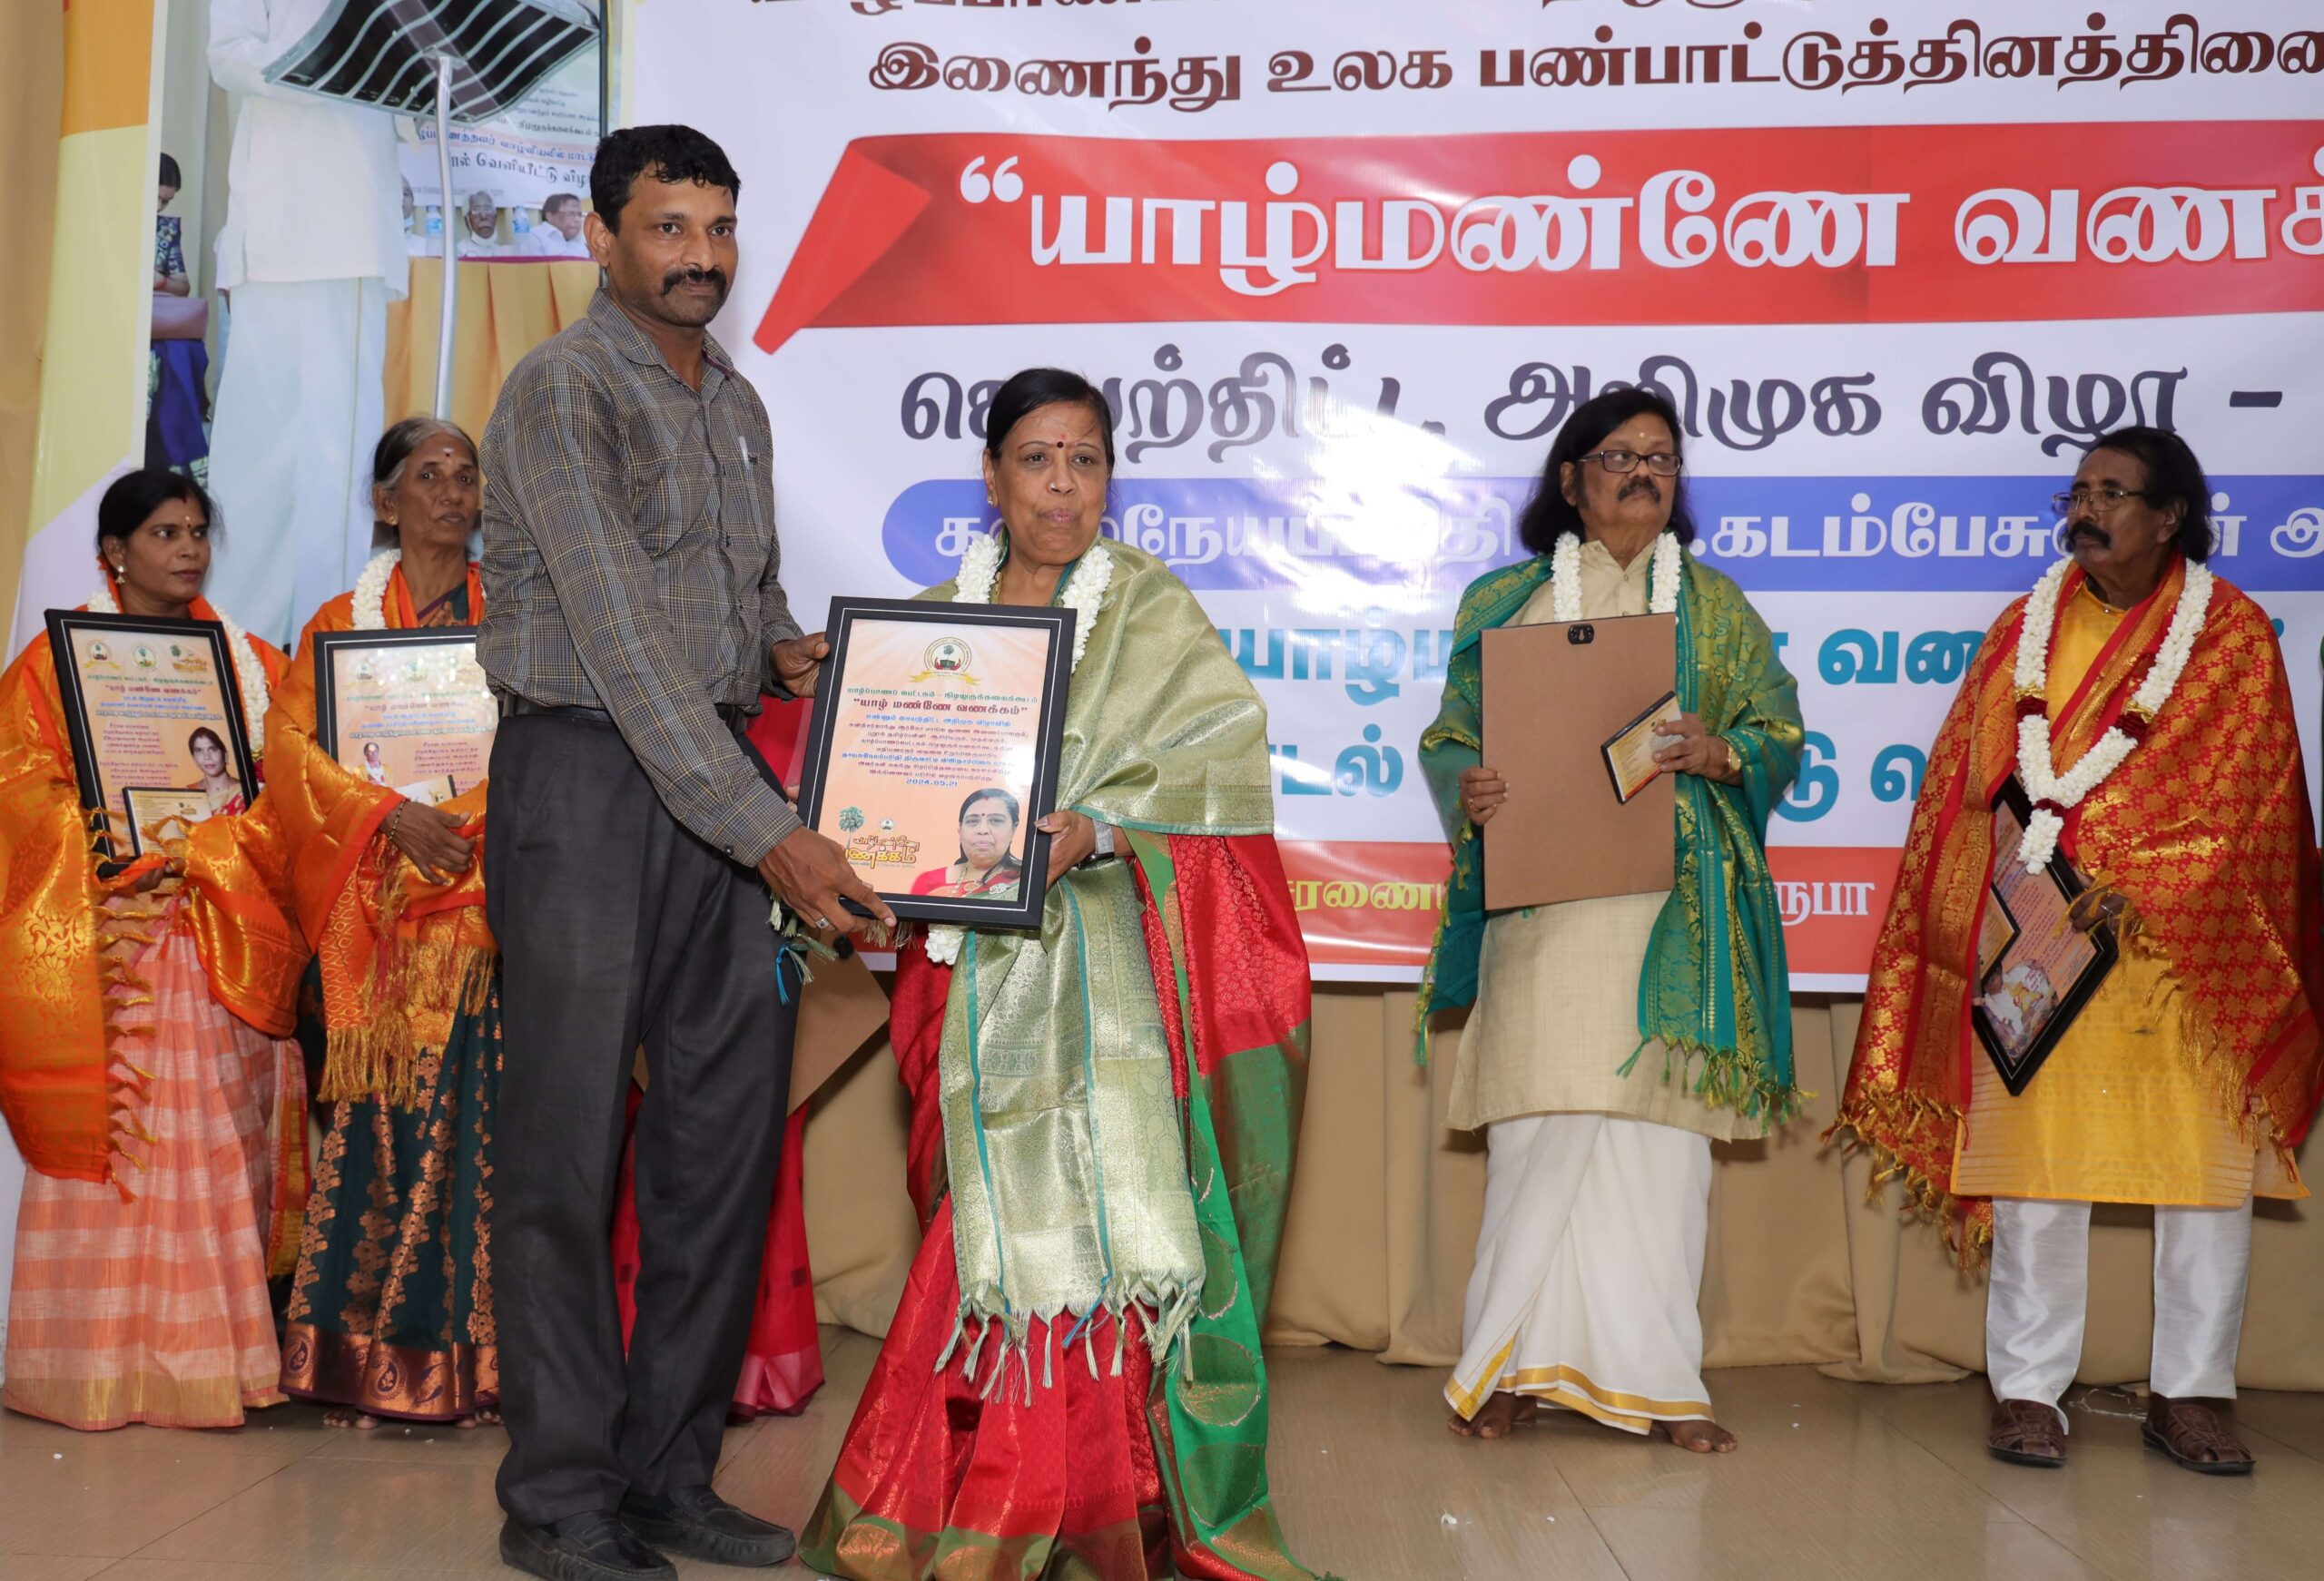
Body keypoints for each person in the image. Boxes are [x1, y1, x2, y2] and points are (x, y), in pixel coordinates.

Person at [801, 368, 1325, 1581]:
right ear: (990, 477)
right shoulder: (928, 626)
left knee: (1088, 1232)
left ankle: (1092, 1496)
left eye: (1085, 460)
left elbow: (1221, 783)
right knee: (973, 1224)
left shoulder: (1150, 612)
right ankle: (948, 1490)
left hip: (1106, 992)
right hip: (959, 978)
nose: (1060, 485)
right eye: (1036, 459)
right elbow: (878, 795)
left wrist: (1100, 828)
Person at [478, 123, 886, 1581]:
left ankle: (665, 1473)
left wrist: (801, 656)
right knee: (566, 1150)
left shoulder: (740, 402)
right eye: (668, 227)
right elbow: (623, 644)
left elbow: (737, 603)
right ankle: (558, 1499)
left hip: (712, 775)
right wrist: (777, 838)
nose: (700, 255)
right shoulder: (562, 389)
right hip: (586, 775)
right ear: (602, 236)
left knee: (721, 1143)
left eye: (718, 227)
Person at [1833, 427, 2324, 1475]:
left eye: (2112, 492)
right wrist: (2010, 874)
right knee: (2036, 1175)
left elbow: (2250, 796)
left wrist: (2127, 863)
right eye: (2079, 490)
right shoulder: (2025, 625)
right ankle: (2026, 1389)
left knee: (2202, 1183)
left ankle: (2191, 1393)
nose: (2086, 509)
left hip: (2180, 959)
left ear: (2171, 515)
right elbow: (1966, 778)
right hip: (2040, 938)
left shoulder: (2229, 632)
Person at [1415, 388, 1805, 1452]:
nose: (1642, 473)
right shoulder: (1506, 600)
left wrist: (1721, 751)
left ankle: (1663, 1383)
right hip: (1544, 909)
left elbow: (1778, 731)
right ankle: (1502, 1368)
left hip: (1673, 916)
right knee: (1537, 1132)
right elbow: (1450, 736)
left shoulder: (1714, 606)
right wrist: (1470, 786)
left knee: (1659, 1151)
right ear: (1570, 478)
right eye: (1619, 455)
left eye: (1661, 458)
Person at [0, 468, 308, 1430]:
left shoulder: (252, 664)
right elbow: (18, 786)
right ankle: (93, 1364)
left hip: (219, 928)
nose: (188, 549)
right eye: (166, 533)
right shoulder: (52, 665)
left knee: (214, 1152)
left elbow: (294, 789)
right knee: (125, 1148)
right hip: (114, 942)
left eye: (198, 532)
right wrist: (101, 837)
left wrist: (212, 843)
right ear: (114, 553)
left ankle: (212, 1360)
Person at [269, 417, 506, 1431]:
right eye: (429, 475)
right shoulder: (340, 622)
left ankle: (479, 1365)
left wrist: (463, 824)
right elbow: (291, 753)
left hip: (489, 915)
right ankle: (363, 1357)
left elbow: (542, 743)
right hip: (376, 917)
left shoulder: (514, 612)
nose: (452, 492)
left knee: (483, 1131)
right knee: (381, 1129)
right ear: (384, 500)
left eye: (467, 475)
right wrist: (390, 817)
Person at [206, 0, 407, 645]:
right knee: (251, 453)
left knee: (338, 461)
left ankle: (327, 643)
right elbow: (226, 54)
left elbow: (417, 82)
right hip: (271, 231)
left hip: (352, 233)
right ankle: (238, 645)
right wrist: (325, 62)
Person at [911, 786, 1025, 897]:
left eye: (996, 820)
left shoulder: (1026, 880)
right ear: (960, 830)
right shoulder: (929, 882)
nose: (982, 830)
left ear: (1013, 829)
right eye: (972, 821)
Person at [187, 725, 247, 813]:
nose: (207, 757)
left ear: (225, 755)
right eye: (199, 751)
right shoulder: (189, 794)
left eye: (212, 749)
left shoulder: (245, 792)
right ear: (194, 759)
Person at [155, 152, 191, 297]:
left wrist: (161, 281)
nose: (158, 207)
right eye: (155, 197)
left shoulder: (167, 230)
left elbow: (184, 288)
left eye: (165, 201)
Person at [531, 192, 593, 258]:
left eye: (579, 215)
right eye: (571, 214)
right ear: (550, 216)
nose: (577, 220)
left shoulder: (580, 243)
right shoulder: (534, 237)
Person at [458, 190, 507, 258]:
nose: (483, 216)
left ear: (495, 217)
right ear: (467, 220)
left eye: (487, 209)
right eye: (476, 211)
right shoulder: (460, 252)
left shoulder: (502, 253)